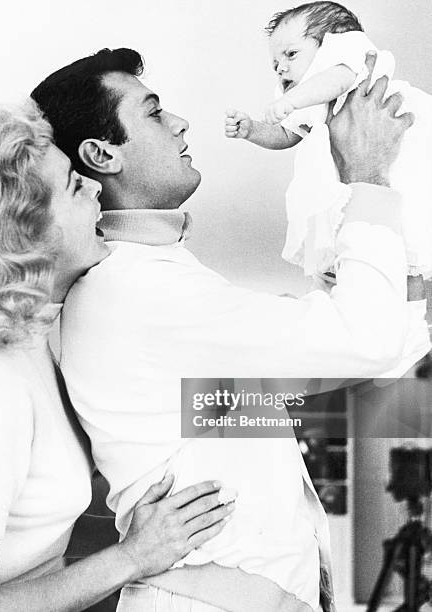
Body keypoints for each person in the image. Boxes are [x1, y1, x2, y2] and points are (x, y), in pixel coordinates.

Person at [31, 49, 430, 612]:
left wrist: (405, 306)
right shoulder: (134, 289)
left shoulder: (158, 287)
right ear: (102, 154)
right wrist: (366, 178)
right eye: (153, 112)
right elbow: (363, 343)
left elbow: (329, 369)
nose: (180, 123)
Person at [0, 100, 236, 611]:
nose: (96, 187)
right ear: (25, 233)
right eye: (75, 185)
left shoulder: (40, 348)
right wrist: (134, 556)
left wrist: (253, 414)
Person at [225, 1, 432, 278]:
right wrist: (251, 130)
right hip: (345, 181)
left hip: (397, 161)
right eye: (275, 63)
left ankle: (414, 313)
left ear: (331, 46)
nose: (281, 68)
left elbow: (338, 80)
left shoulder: (344, 67)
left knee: (404, 244)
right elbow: (286, 136)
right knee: (349, 250)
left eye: (291, 54)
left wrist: (292, 100)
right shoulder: (305, 100)